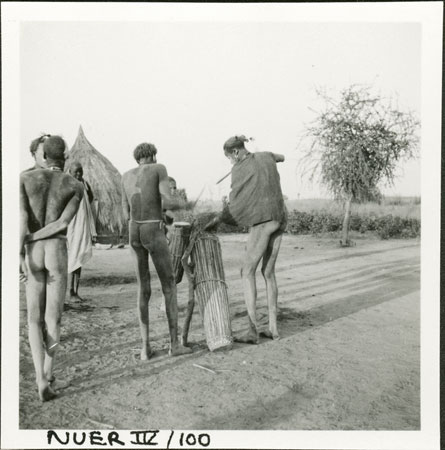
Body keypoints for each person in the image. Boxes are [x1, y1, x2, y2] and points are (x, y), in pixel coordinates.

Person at [20, 136, 84, 401]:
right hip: (56, 251)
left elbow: (23, 220)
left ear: (43, 156)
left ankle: (38, 378)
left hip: (33, 253)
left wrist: (23, 246)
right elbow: (62, 223)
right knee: (53, 320)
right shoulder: (75, 185)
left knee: (33, 319)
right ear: (65, 157)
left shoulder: (25, 179)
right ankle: (48, 372)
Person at [209, 135, 287, 344]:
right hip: (279, 218)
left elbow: (236, 202)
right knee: (268, 273)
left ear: (235, 152)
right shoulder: (266, 155)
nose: (231, 163)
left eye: (230, 158)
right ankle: (273, 329)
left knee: (247, 272)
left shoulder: (238, 169)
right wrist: (266, 158)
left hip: (263, 220)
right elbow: (282, 157)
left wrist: (219, 218)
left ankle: (252, 331)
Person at [121, 142, 192, 360]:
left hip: (134, 231)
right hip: (152, 228)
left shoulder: (125, 176)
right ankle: (174, 345)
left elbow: (125, 213)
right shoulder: (158, 168)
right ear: (152, 155)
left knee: (143, 289)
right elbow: (167, 200)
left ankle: (145, 348)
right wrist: (184, 205)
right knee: (169, 285)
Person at [67, 162, 97, 302]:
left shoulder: (84, 184)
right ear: (70, 171)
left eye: (80, 171)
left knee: (79, 257)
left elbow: (90, 198)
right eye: (76, 172)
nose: (78, 174)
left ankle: (75, 291)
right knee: (69, 258)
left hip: (82, 226)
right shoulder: (66, 183)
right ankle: (69, 291)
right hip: (70, 227)